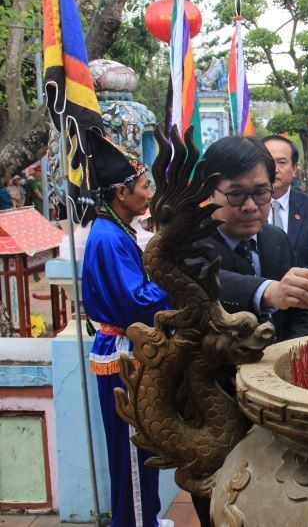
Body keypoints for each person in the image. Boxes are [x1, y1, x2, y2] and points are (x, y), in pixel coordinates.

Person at [81, 130, 172, 527]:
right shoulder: (109, 237)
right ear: (121, 192)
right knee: (134, 448)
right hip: (123, 353)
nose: (149, 193)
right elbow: (135, 301)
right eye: (145, 186)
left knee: (140, 443)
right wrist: (171, 277)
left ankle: (143, 518)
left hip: (125, 350)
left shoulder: (117, 230)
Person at [195, 136, 308, 344]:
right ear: (209, 191)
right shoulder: (188, 239)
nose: (251, 206)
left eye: (261, 193)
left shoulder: (276, 238)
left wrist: (288, 356)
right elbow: (201, 280)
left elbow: (299, 314)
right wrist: (268, 291)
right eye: (236, 194)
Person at [262, 135, 308, 280]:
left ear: (295, 169)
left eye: (282, 162)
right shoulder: (245, 207)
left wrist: (301, 279)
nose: (274, 169)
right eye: (268, 162)